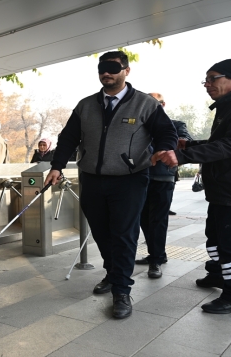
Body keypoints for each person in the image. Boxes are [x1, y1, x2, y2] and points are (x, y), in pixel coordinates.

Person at [44, 51, 177, 319]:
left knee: (124, 234)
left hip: (130, 180)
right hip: (92, 179)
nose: (107, 73)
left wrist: (165, 149)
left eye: (113, 68)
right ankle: (113, 273)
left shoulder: (145, 104)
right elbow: (68, 138)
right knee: (102, 233)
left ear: (126, 71)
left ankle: (121, 290)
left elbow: (166, 132)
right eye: (102, 69)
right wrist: (56, 166)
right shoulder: (86, 105)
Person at [155, 58, 231, 314]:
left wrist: (183, 157)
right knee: (216, 240)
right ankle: (220, 276)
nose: (207, 84)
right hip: (226, 189)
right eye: (205, 80)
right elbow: (225, 142)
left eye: (213, 78)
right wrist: (190, 146)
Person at [136, 93, 193, 278]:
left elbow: (184, 141)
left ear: (163, 104)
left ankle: (156, 259)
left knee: (158, 220)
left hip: (162, 177)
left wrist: (168, 145)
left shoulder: (175, 125)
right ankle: (157, 253)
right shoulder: (138, 124)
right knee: (143, 218)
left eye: (156, 104)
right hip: (140, 177)